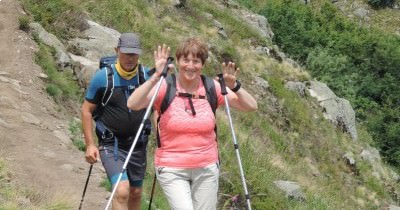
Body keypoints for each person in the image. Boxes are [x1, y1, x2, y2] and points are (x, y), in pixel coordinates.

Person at [127, 37, 257, 210]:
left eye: (196, 61)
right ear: (178, 61)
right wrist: (156, 77)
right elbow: (133, 104)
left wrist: (235, 86)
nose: (190, 65)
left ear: (202, 64)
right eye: (185, 60)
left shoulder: (212, 87)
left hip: (206, 167)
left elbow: (251, 106)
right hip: (172, 166)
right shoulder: (166, 86)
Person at [81, 32, 152, 210]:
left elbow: (157, 107)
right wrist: (90, 144)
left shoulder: (146, 76)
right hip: (112, 144)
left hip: (138, 145)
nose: (130, 58)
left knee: (135, 193)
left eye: (134, 54)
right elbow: (86, 110)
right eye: (126, 53)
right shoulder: (103, 77)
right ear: (117, 50)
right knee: (121, 191)